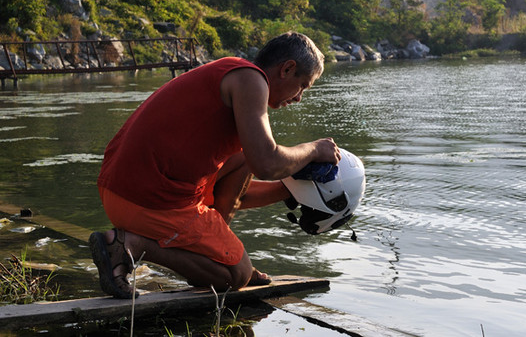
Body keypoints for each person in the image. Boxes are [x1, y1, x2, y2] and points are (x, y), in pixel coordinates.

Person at [89, 32, 341, 299]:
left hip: (119, 191)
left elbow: (235, 188)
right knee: (236, 276)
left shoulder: (232, 70)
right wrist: (314, 149)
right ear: (287, 68)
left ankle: (218, 254)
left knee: (245, 157)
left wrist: (288, 190)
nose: (299, 97)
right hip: (146, 201)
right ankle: (130, 246)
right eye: (303, 85)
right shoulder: (251, 80)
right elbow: (267, 163)